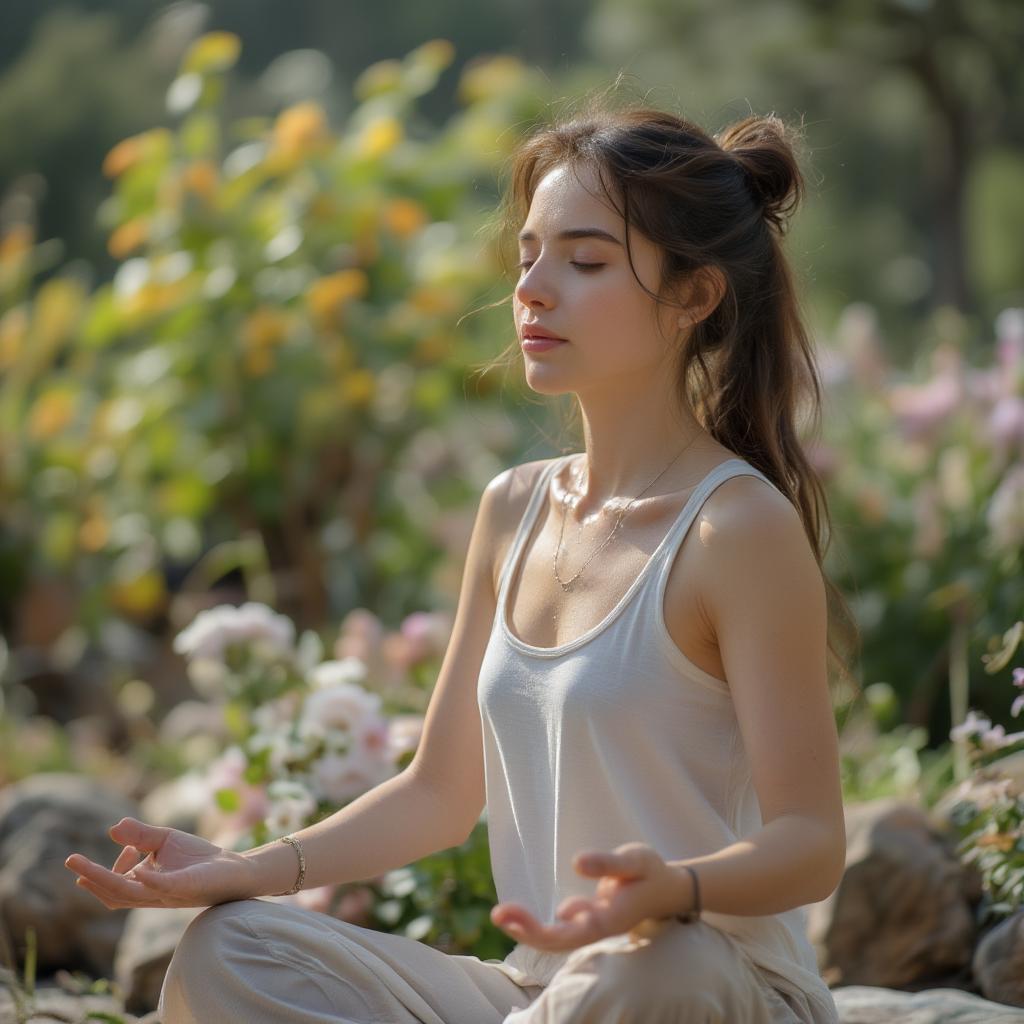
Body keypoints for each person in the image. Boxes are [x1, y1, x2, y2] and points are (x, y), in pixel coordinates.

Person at [65, 103, 859, 1023]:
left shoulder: (737, 529)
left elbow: (811, 844)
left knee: (645, 974)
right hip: (544, 992)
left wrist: (672, 891)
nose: (533, 288)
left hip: (708, 982)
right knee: (233, 948)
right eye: (528, 255)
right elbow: (440, 794)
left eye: (586, 260)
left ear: (694, 297)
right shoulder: (513, 508)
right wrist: (250, 869)